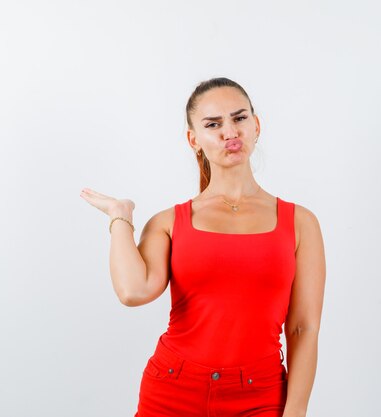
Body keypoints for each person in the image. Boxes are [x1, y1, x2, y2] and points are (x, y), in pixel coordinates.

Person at [79, 77, 326, 417]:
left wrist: (295, 411)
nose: (230, 131)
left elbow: (303, 327)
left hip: (260, 395)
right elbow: (133, 291)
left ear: (256, 126)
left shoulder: (300, 222)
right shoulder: (169, 222)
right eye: (213, 124)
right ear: (194, 139)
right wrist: (120, 218)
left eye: (239, 118)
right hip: (172, 388)